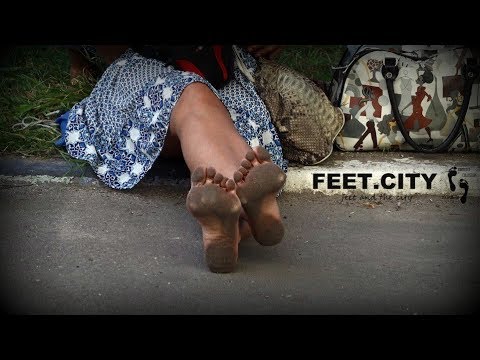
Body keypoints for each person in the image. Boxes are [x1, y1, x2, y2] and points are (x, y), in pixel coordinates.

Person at [62, 45, 287, 273]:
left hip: (203, 82)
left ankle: (233, 215)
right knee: (196, 99)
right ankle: (246, 198)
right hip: (185, 79)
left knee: (198, 104)